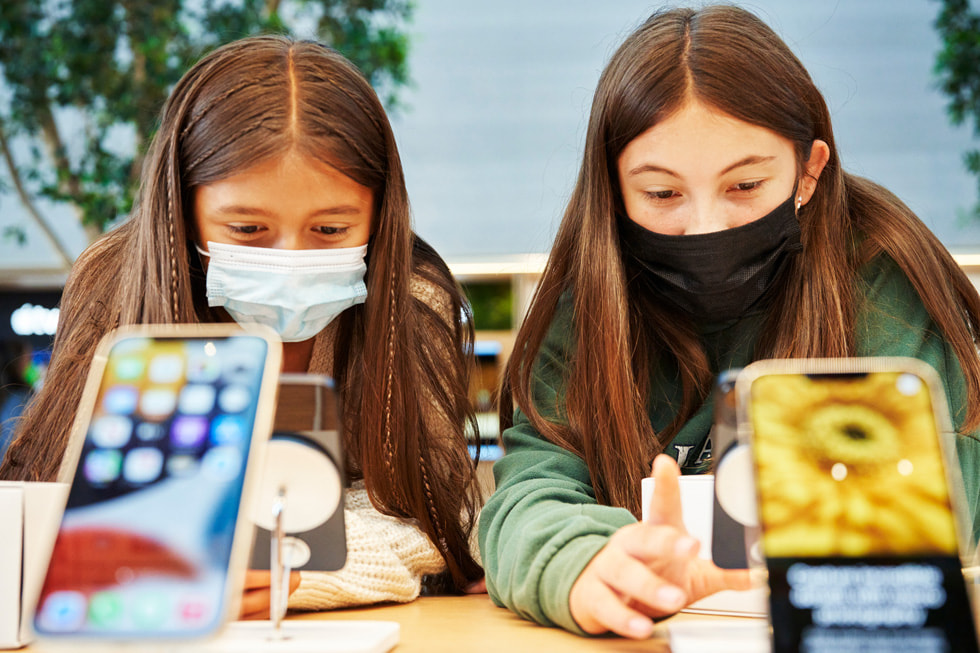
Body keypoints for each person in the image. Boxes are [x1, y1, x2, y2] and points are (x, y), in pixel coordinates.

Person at [479, 5, 980, 640]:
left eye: (745, 186)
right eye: (662, 194)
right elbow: (529, 494)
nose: (706, 228)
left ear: (808, 171)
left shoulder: (880, 271)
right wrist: (582, 564)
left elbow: (941, 505)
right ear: (614, 189)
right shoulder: (589, 300)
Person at [0, 35, 483, 615]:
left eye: (331, 230)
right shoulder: (114, 283)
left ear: (380, 213)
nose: (290, 258)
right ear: (183, 209)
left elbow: (435, 513)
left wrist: (288, 570)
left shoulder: (412, 296)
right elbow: (61, 499)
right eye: (248, 230)